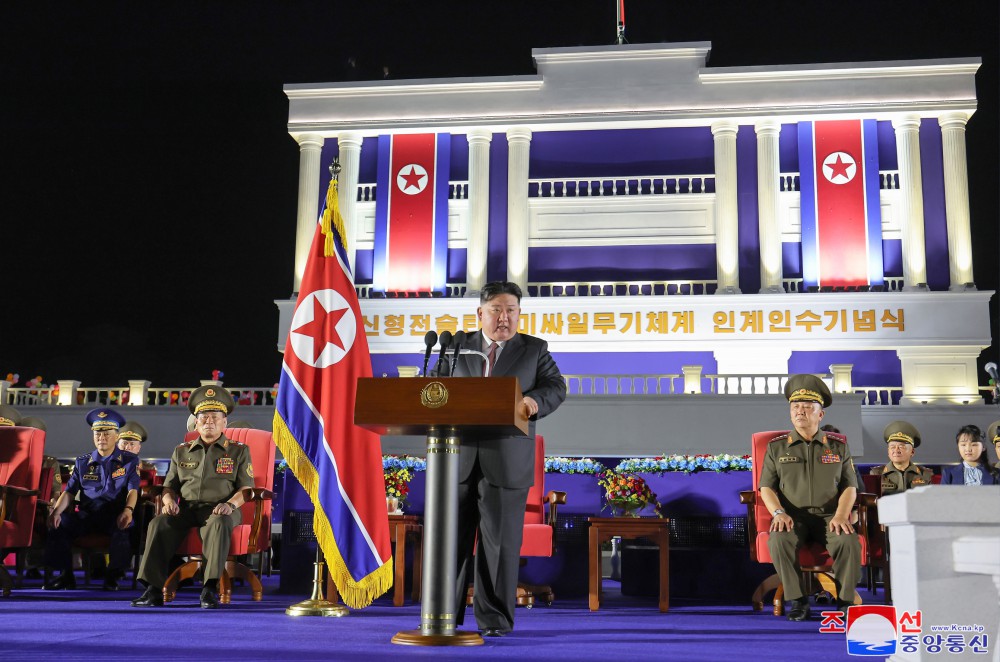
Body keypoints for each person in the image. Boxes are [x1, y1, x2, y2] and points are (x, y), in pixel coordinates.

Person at [435, 281, 566, 637]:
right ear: (480, 313)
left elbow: (556, 386)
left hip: (507, 460)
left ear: (519, 315)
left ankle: (494, 621)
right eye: (496, 310)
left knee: (500, 546)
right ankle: (440, 616)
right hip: (456, 458)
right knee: (449, 542)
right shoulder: (459, 347)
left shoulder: (534, 350)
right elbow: (436, 386)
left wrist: (533, 401)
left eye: (511, 311)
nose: (503, 318)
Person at [132, 385, 253, 609]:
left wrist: (229, 505)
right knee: (159, 523)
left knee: (218, 522)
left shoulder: (238, 450)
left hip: (221, 509)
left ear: (224, 422)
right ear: (195, 422)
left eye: (215, 417)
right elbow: (169, 486)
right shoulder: (181, 451)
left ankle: (209, 589)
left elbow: (246, 489)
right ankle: (153, 590)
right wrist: (168, 502)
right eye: (204, 417)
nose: (209, 422)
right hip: (187, 509)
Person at [759, 374, 861, 622]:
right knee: (778, 540)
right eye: (795, 407)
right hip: (794, 517)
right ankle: (798, 600)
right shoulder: (777, 447)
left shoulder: (838, 447)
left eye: (807, 407)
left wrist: (840, 514)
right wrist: (778, 513)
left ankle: (846, 601)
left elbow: (850, 486)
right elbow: (766, 487)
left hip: (829, 517)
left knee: (848, 540)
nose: (800, 412)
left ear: (820, 414)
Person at [44, 407, 140, 591]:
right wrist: (56, 511)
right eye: (97, 433)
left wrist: (128, 510)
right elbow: (70, 492)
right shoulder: (82, 462)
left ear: (116, 435)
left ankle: (113, 576)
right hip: (88, 514)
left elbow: (132, 490)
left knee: (125, 526)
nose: (101, 437)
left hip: (114, 514)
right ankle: (65, 575)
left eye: (106, 433)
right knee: (59, 523)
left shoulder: (128, 461)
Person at [870, 421, 933, 495]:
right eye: (892, 447)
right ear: (888, 451)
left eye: (901, 446)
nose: (896, 450)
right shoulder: (876, 473)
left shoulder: (926, 474)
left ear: (912, 452)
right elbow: (872, 503)